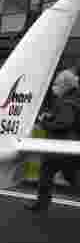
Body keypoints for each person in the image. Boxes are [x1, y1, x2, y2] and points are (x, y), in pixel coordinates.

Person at [27, 68, 80, 212]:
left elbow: (64, 123)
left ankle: (41, 204)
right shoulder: (73, 99)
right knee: (58, 174)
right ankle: (41, 204)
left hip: (61, 145)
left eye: (56, 84)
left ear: (65, 85)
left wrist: (44, 123)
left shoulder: (67, 102)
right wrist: (51, 117)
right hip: (68, 145)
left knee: (54, 174)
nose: (54, 87)